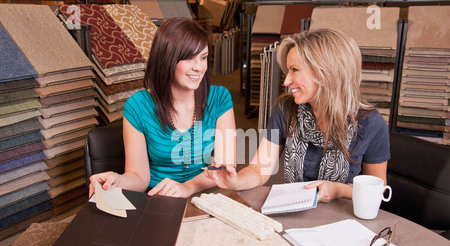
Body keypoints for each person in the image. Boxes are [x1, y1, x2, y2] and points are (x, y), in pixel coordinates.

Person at [208, 28, 390, 203]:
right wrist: (235, 181)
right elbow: (259, 169)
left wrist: (338, 190)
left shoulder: (370, 123)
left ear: (325, 73)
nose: (287, 81)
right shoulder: (285, 109)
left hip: (344, 218)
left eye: (294, 70)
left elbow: (377, 190)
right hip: (295, 211)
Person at [89, 17, 236, 198]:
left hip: (206, 196)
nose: (199, 67)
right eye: (189, 58)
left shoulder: (219, 98)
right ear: (166, 59)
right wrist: (117, 180)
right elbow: (138, 176)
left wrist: (188, 187)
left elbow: (224, 168)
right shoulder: (138, 106)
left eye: (203, 57)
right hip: (159, 199)